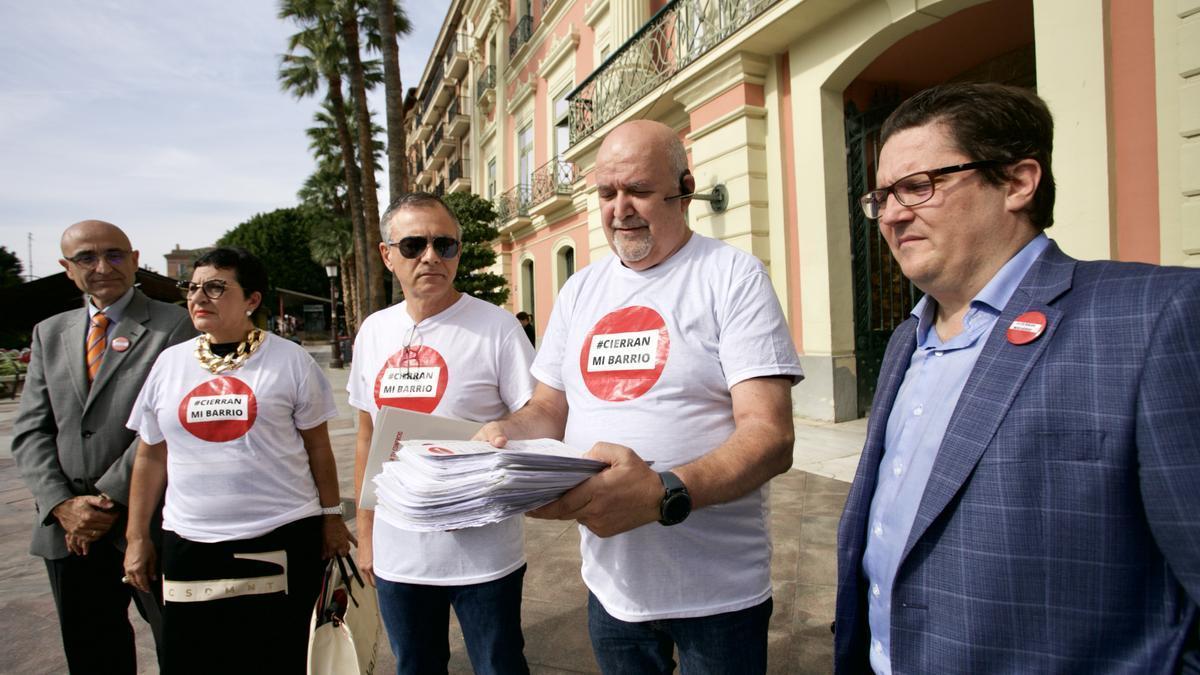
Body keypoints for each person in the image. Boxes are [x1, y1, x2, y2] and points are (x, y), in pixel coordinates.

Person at [834, 83, 1200, 673]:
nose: (894, 214)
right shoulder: (907, 339)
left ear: (1018, 182)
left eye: (918, 187)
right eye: (882, 197)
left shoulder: (1154, 318)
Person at [475, 120, 803, 673]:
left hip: (717, 594)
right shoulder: (580, 289)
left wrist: (663, 492)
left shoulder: (732, 276)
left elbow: (771, 437)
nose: (619, 208)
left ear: (684, 188)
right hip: (613, 588)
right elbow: (548, 409)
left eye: (639, 191)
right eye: (606, 192)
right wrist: (504, 436)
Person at [121, 246, 353, 674]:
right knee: (193, 659)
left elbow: (318, 447)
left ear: (252, 300)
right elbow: (151, 455)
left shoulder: (290, 360)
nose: (198, 298)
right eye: (192, 288)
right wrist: (138, 537)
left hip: (281, 536)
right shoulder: (169, 364)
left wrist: (332, 517)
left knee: (281, 658)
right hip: (190, 544)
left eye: (215, 287)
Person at [350, 192, 536, 674]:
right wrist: (366, 536)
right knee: (415, 666)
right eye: (413, 245)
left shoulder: (496, 328)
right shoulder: (374, 331)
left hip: (484, 553)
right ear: (387, 254)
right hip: (399, 553)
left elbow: (539, 416)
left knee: (500, 666)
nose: (430, 256)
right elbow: (367, 438)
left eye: (445, 245)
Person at [11, 219, 194, 673]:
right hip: (67, 531)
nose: (102, 266)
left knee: (180, 644)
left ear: (134, 261)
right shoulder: (48, 333)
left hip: (148, 522)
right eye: (86, 258)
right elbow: (31, 430)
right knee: (92, 649)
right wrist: (61, 504)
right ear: (67, 268)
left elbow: (169, 424)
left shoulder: (178, 327)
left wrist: (105, 500)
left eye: (114, 255)